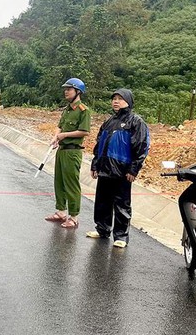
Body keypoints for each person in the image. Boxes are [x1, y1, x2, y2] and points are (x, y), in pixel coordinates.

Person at [87, 89, 150, 248]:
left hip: (123, 171)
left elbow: (141, 146)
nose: (116, 101)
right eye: (114, 98)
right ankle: (102, 229)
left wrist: (133, 169)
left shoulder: (135, 122)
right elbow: (99, 145)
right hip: (105, 169)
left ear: (128, 101)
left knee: (122, 204)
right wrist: (95, 164)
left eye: (120, 98)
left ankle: (121, 236)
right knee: (102, 202)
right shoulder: (108, 122)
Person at [44, 78, 91, 229]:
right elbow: (59, 126)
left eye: (69, 89)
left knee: (71, 184)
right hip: (61, 150)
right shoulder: (66, 110)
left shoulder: (83, 110)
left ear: (78, 92)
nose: (66, 91)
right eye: (65, 89)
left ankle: (74, 216)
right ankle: (60, 212)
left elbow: (84, 131)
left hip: (72, 151)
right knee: (59, 182)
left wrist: (64, 135)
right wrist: (55, 137)